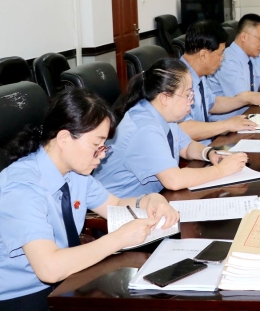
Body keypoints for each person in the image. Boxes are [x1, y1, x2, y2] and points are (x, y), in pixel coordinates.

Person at [0, 89, 179, 309]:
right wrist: (119, 239)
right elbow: (49, 269)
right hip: (23, 295)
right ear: (64, 138)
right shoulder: (22, 187)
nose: (102, 155)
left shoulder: (75, 172)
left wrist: (150, 200)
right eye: (96, 146)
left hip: (69, 277)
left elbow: (115, 205)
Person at [94, 59, 248, 198]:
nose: (191, 101)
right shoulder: (145, 128)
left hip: (153, 199)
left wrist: (209, 153)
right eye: (187, 95)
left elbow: (186, 147)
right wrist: (221, 170)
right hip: (118, 210)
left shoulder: (162, 115)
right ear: (165, 98)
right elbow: (174, 180)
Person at [178, 20, 260, 142]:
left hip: (206, 143)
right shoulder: (177, 80)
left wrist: (248, 99)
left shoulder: (197, 74)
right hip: (196, 147)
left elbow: (212, 103)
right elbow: (183, 129)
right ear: (203, 55)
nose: (223, 58)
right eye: (221, 53)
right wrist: (226, 125)